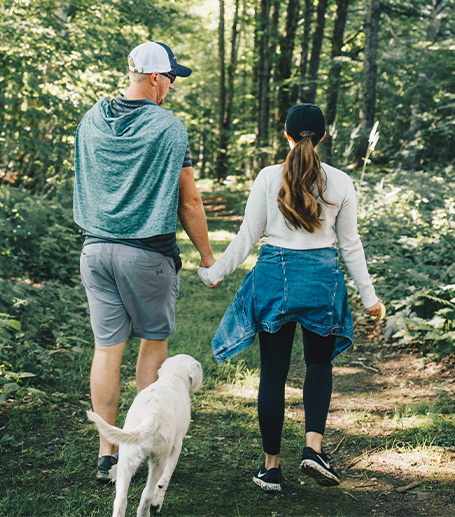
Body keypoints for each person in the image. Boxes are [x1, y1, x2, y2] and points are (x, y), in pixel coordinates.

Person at [198, 104, 382, 492]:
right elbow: (350, 245)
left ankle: (271, 468)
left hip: (274, 278)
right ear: (324, 136)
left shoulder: (268, 177)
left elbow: (248, 236)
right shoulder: (341, 181)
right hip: (321, 281)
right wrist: (369, 296)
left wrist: (215, 272)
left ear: (286, 135)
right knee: (318, 365)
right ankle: (313, 449)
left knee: (274, 373)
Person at [74, 41, 216, 482]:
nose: (172, 86)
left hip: (95, 250)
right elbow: (188, 201)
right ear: (155, 77)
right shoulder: (169, 128)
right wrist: (208, 257)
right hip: (147, 254)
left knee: (106, 349)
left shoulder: (91, 119)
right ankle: (142, 438)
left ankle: (108, 454)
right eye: (171, 77)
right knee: (152, 343)